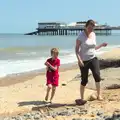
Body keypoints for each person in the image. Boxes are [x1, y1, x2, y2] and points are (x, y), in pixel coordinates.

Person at [75, 19, 107, 105]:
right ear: (86, 26)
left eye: (92, 27)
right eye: (89, 27)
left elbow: (94, 47)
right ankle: (82, 98)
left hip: (93, 58)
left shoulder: (93, 34)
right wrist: (79, 60)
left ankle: (99, 95)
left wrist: (101, 45)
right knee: (84, 80)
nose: (91, 29)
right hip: (84, 61)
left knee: (97, 75)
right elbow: (77, 50)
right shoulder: (80, 36)